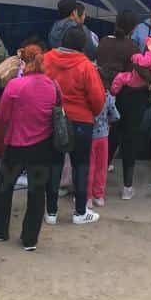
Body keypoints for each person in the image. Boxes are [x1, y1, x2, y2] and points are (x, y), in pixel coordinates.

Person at [0, 45, 57, 249]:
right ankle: (30, 239)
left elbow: (2, 117)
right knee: (37, 191)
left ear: (23, 63)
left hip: (16, 144)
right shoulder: (52, 85)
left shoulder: (15, 86)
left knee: (5, 187)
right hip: (43, 145)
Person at [43, 26, 106, 224]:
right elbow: (98, 99)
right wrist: (90, 113)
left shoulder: (46, 59)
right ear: (83, 45)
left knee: (54, 164)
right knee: (81, 166)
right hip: (81, 122)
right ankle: (80, 212)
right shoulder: (86, 66)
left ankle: (51, 213)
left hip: (54, 119)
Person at [95, 12, 142, 199]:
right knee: (128, 138)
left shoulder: (104, 42)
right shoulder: (132, 47)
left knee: (105, 137)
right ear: (132, 28)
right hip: (126, 97)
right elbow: (134, 74)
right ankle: (127, 188)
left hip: (103, 95)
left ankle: (98, 183)